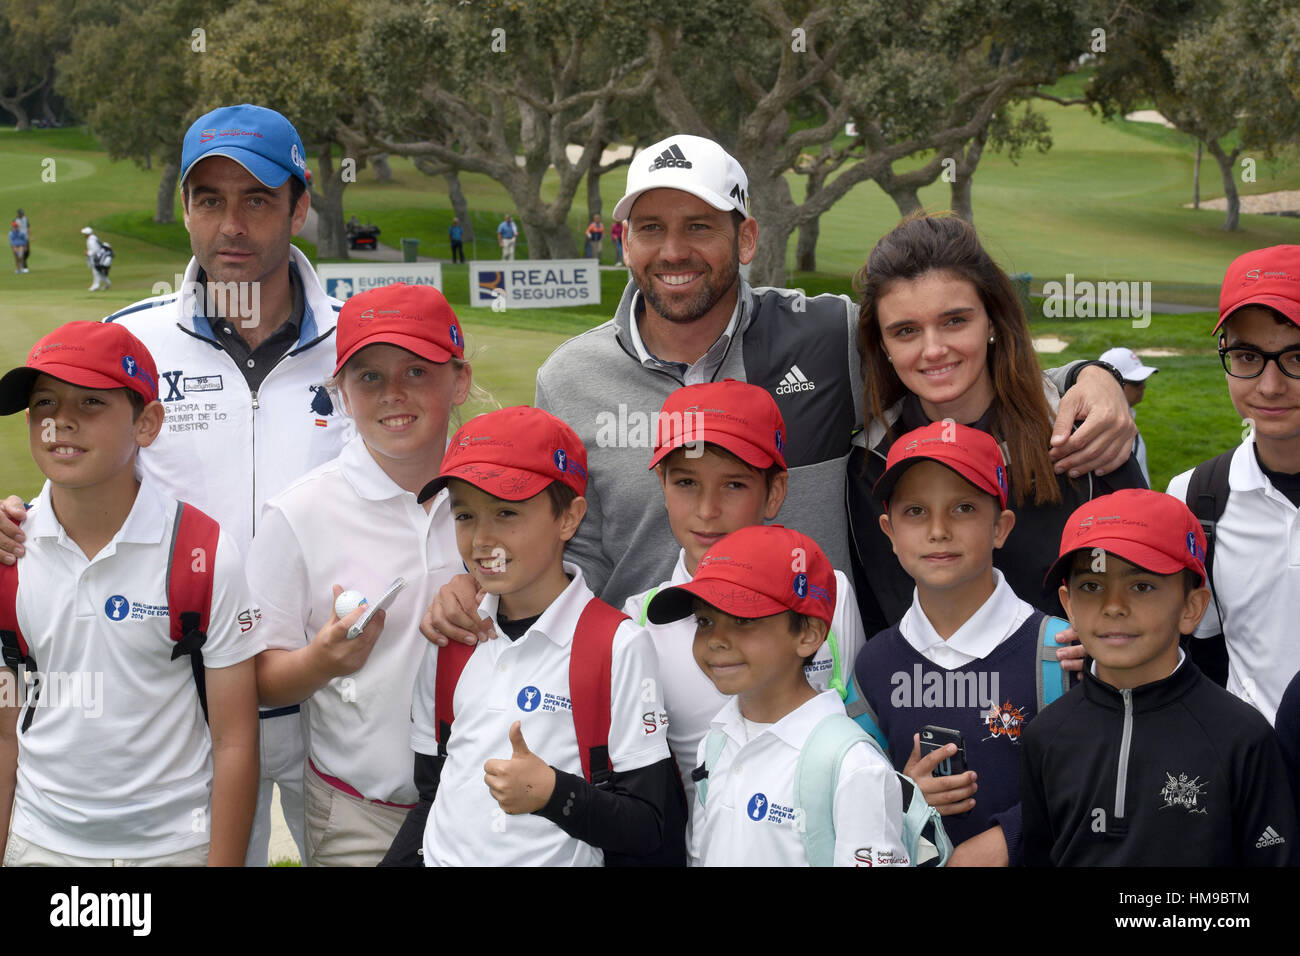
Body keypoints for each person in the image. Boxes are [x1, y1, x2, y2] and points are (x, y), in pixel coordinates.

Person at [520, 134, 1134, 619]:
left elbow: (950, 363)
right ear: (624, 243)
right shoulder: (570, 378)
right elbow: (570, 551)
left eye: (700, 226)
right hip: (648, 687)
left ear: (747, 237)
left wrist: (1092, 374)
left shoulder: (824, 335)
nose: (673, 250)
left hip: (822, 690)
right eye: (650, 228)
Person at [0, 103, 346, 867]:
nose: (232, 225)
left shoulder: (358, 344)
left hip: (344, 702)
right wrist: (14, 517)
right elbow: (84, 468)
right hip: (190, 705)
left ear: (300, 203)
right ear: (186, 209)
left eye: (257, 199)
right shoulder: (135, 339)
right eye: (209, 200)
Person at [0, 322, 262, 866]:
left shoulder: (204, 551)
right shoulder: (9, 552)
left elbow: (236, 742)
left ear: (147, 423)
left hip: (175, 846)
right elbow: (5, 734)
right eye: (44, 402)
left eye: (91, 402)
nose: (60, 421)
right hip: (41, 843)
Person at [392, 406, 685, 866]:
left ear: (569, 518)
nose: (481, 540)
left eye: (507, 512)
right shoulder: (452, 636)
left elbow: (647, 825)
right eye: (465, 516)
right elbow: (434, 792)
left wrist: (553, 792)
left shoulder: (618, 646)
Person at [246, 283, 471, 866]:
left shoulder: (501, 495)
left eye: (417, 371)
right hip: (361, 817)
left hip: (494, 807)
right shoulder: (298, 513)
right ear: (341, 394)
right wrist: (322, 661)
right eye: (368, 376)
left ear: (460, 380)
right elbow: (260, 677)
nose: (393, 393)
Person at [848, 214, 1147, 636]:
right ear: (883, 345)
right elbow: (894, 625)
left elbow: (1148, 579)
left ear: (991, 320)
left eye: (955, 321)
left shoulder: (1078, 426)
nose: (933, 349)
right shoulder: (872, 460)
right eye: (906, 331)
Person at [1022, 488, 1296, 866]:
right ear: (1068, 605)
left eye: (1141, 586)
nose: (1114, 606)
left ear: (1191, 607)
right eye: (1091, 586)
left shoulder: (1242, 737)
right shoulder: (1046, 735)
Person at [622, 380, 865, 803]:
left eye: (734, 485)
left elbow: (858, 723)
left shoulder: (832, 593)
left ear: (774, 493)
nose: (707, 510)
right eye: (686, 483)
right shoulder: (638, 623)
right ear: (662, 485)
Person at [852, 421, 1063, 866]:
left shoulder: (1059, 653)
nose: (939, 530)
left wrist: (1011, 837)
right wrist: (903, 794)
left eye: (964, 508)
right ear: (888, 532)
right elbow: (853, 803)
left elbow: (1094, 785)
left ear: (1001, 527)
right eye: (915, 512)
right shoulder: (873, 667)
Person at [646, 524, 908, 867]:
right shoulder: (714, 742)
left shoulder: (852, 765)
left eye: (742, 620)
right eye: (705, 621)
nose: (716, 640)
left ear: (809, 635)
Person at [1167, 246, 1300, 725]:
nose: (1268, 386)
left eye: (1295, 357)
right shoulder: (1195, 497)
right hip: (1253, 782)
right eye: (1247, 356)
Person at [1099, 346, 1157, 484]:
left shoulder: (1121, 420)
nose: (1143, 386)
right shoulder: (1119, 432)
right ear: (1112, 383)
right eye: (1137, 382)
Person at [82, 225, 110, 291]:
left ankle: (96, 285)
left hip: (96, 258)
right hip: (98, 258)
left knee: (96, 272)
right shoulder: (93, 238)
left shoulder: (91, 240)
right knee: (99, 272)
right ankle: (107, 283)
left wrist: (88, 253)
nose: (84, 235)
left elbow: (94, 250)